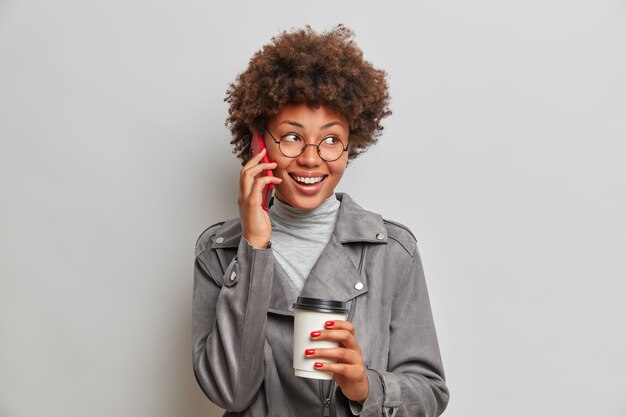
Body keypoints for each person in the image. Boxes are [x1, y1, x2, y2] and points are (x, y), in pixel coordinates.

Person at [192, 25, 449, 417]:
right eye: (292, 138)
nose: (312, 158)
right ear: (259, 143)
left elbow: (430, 393)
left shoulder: (392, 251)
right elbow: (230, 392)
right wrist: (255, 245)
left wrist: (366, 387)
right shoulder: (219, 253)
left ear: (351, 143)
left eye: (331, 140)